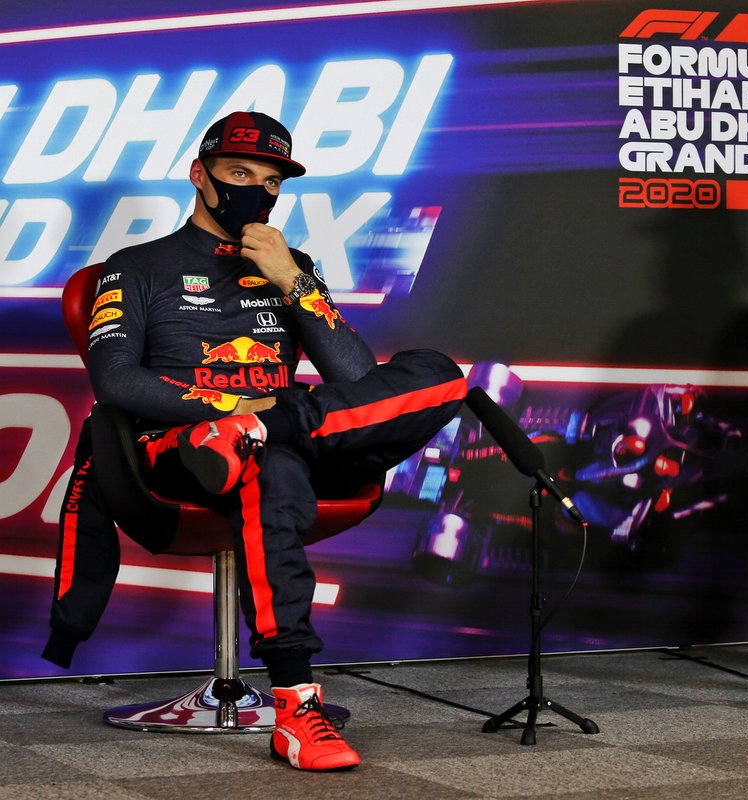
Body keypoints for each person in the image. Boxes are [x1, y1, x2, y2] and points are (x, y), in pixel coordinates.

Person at [45, 111, 466, 770]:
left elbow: (359, 381)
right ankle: (297, 702)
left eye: (270, 180)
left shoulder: (289, 266)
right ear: (200, 176)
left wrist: (292, 282)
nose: (256, 190)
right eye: (239, 173)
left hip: (294, 432)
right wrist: (231, 408)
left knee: (439, 375)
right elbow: (116, 379)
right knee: (269, 469)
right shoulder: (136, 267)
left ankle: (268, 429)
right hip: (180, 450)